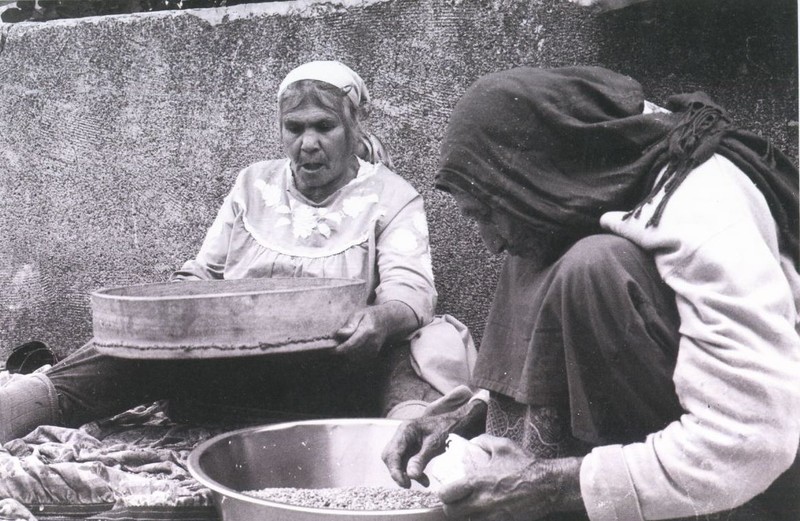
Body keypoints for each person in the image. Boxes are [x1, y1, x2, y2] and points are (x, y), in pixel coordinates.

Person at [382, 65, 800, 521]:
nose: (489, 242)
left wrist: (550, 487)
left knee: (594, 266)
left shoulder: (706, 209)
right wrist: (480, 412)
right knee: (531, 244)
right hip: (707, 447)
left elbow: (754, 440)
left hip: (762, 473)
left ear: (538, 174)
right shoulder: (583, 183)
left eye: (487, 212)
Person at [0, 60, 475, 442]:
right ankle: (26, 405)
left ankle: (403, 446)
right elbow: (203, 273)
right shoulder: (253, 184)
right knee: (126, 346)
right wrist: (172, 314)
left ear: (353, 125)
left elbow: (412, 292)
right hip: (234, 364)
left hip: (338, 370)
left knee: (423, 345)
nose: (307, 143)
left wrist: (377, 320)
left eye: (324, 126)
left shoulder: (392, 195)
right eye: (294, 127)